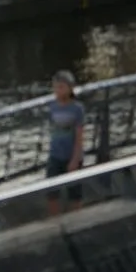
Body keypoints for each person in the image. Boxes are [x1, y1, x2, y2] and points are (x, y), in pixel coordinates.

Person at [46, 71, 85, 213]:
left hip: (71, 154)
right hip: (55, 154)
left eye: (61, 87)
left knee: (74, 193)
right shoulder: (52, 106)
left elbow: (79, 135)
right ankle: (55, 221)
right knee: (51, 192)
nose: (57, 90)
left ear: (70, 88)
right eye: (55, 87)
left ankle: (76, 219)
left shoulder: (77, 109)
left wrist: (75, 158)